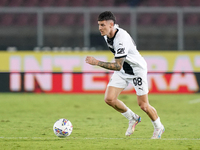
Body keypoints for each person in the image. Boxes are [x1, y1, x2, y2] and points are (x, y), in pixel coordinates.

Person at [85, 11, 164, 139]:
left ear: (111, 24)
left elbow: (117, 65)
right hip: (123, 70)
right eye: (99, 25)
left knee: (143, 105)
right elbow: (120, 66)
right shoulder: (107, 34)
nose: (100, 28)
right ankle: (133, 118)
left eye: (102, 25)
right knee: (109, 99)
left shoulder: (121, 39)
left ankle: (159, 126)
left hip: (136, 70)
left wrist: (96, 62)